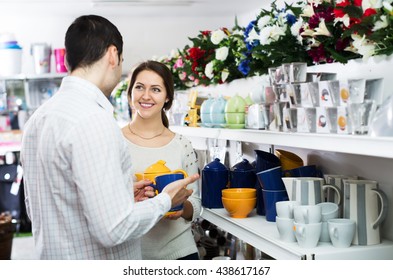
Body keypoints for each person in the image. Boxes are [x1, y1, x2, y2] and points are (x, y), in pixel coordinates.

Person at [20, 15, 198, 260]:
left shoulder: (37, 120)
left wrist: (123, 197)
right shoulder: (94, 119)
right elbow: (115, 229)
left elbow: (41, 209)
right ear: (113, 55)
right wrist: (165, 200)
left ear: (66, 59)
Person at [122, 60, 201, 260]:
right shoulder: (113, 141)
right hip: (130, 256)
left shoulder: (182, 144)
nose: (146, 96)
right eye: (139, 87)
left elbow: (196, 204)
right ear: (130, 93)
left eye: (156, 89)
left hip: (180, 253)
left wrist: (182, 208)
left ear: (167, 98)